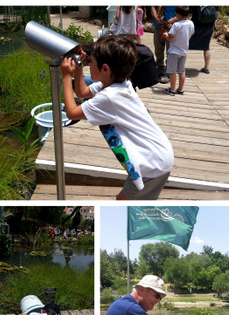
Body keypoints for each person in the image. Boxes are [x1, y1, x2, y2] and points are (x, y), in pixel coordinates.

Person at [61, 35, 174, 200]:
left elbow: (71, 112)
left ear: (105, 69)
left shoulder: (109, 97)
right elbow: (81, 92)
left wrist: (65, 77)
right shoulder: (119, 83)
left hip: (151, 162)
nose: (88, 65)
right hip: (158, 154)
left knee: (122, 202)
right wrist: (78, 67)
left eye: (90, 62)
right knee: (138, 202)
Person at [162, 6, 194, 96]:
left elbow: (170, 38)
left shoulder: (176, 25)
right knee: (182, 71)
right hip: (184, 51)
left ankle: (172, 90)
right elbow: (190, 35)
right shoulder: (191, 23)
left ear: (178, 15)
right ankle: (180, 89)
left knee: (172, 72)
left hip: (174, 51)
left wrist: (165, 35)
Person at [151, 6, 177, 83]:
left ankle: (169, 72)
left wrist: (173, 20)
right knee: (158, 49)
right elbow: (153, 7)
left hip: (173, 27)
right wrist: (156, 18)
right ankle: (160, 69)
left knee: (170, 51)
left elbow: (184, 11)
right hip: (158, 26)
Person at [189, 6, 218, 74]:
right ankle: (206, 67)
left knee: (186, 43)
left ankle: (180, 66)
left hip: (196, 24)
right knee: (206, 46)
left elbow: (189, 9)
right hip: (209, 25)